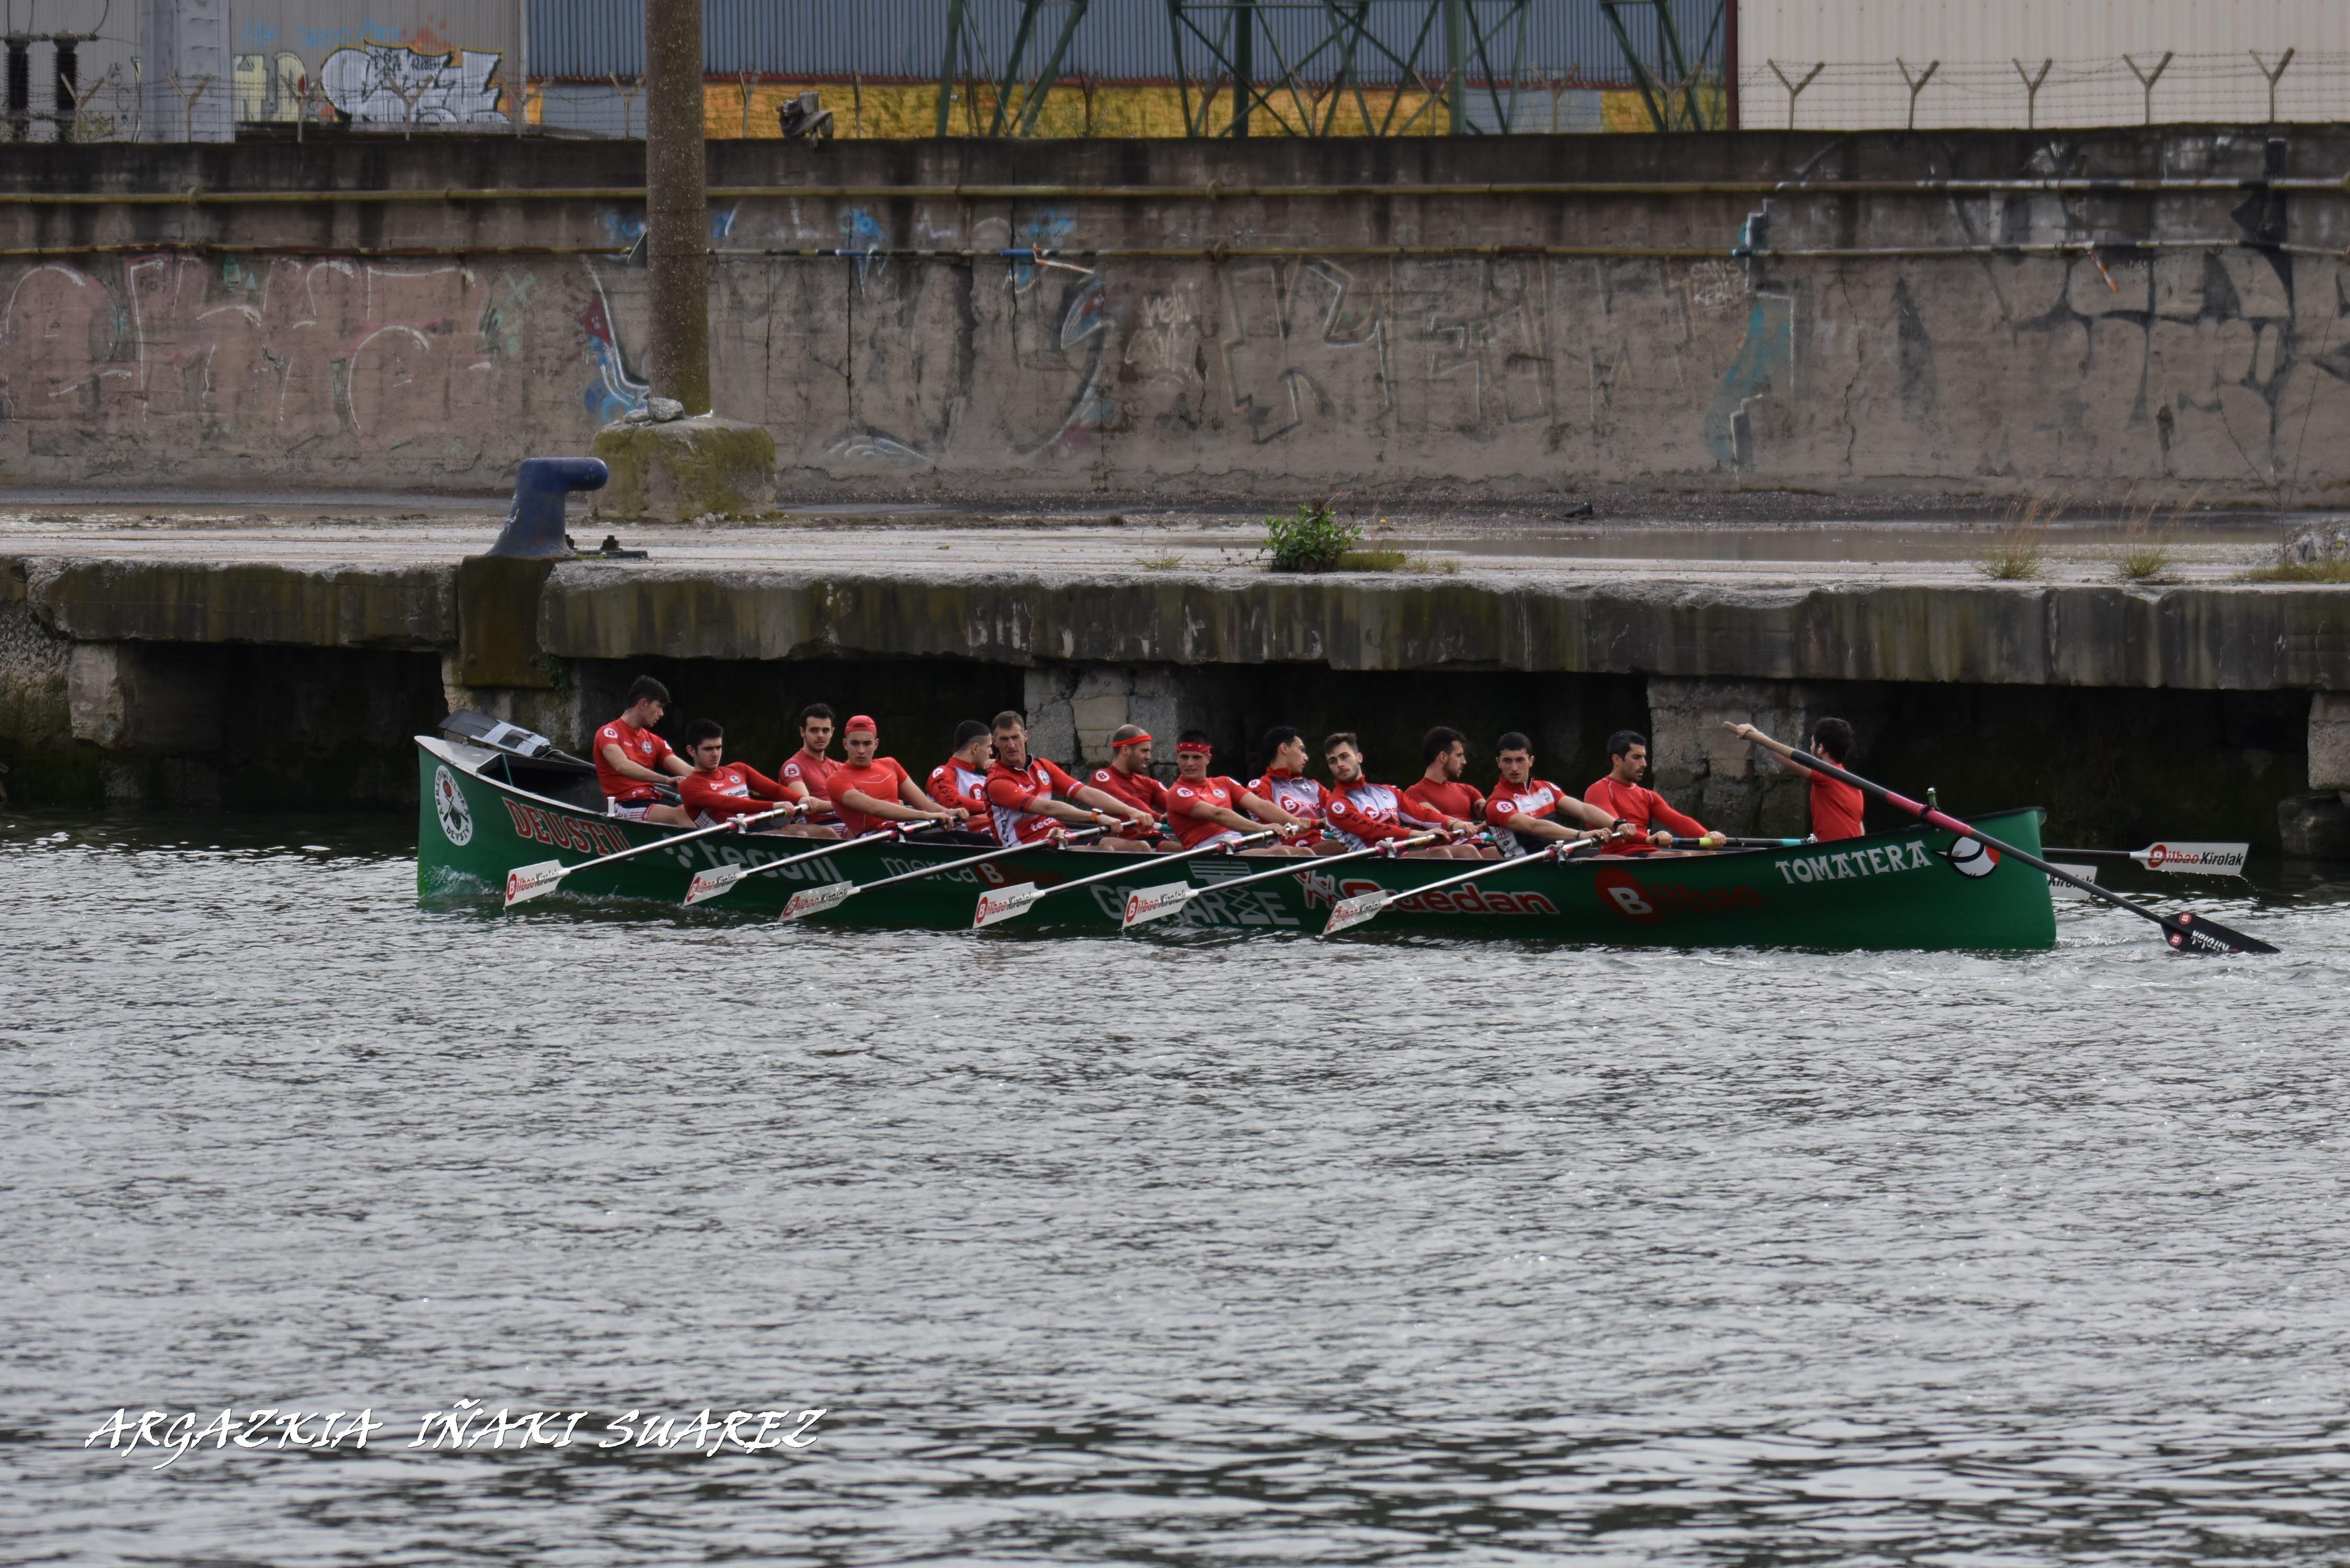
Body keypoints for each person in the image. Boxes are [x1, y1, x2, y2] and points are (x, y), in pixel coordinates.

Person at [985, 711, 1157, 850]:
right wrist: (1096, 817)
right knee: (1106, 852)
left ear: (1025, 736)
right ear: (995, 742)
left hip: (1059, 836)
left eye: (1015, 737)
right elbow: (1049, 808)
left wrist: (1131, 812)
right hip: (1026, 848)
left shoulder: (1043, 767)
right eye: (1004, 740)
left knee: (1140, 848)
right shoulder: (997, 782)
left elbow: (1085, 793)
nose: (1012, 745)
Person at [1321, 732, 1476, 860]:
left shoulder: (1388, 791)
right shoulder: (1337, 804)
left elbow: (1421, 814)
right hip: (1370, 862)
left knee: (1468, 851)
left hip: (1397, 856)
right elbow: (1374, 830)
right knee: (1441, 855)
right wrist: (1420, 834)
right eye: (1333, 761)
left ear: (1359, 758)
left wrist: (1453, 823)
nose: (1340, 764)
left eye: (1345, 757)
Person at [1162, 731, 1313, 855]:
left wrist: (1295, 821)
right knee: (1280, 854)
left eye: (1196, 757)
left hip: (1233, 847)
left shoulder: (1224, 783)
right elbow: (1218, 815)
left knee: (1305, 853)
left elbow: (1261, 806)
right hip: (1207, 853)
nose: (1189, 763)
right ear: (1177, 759)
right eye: (1184, 757)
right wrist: (1261, 828)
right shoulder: (1177, 793)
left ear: (1208, 759)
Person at [824, 715, 968, 837]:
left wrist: (947, 812)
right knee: (951, 843)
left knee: (976, 841)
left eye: (867, 744)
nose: (861, 750)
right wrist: (926, 816)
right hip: (875, 840)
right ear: (845, 744)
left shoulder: (890, 764)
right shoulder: (837, 780)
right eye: (855, 744)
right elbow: (875, 807)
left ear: (876, 744)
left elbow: (925, 804)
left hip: (903, 830)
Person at [1726, 717, 1867, 841]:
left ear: (1821, 749)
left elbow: (1791, 761)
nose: (1810, 747)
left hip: (1834, 855)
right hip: (1849, 853)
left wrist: (1758, 736)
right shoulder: (1855, 784)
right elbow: (1860, 830)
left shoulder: (1826, 774)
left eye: (1812, 743)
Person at [1583, 729, 1720, 853]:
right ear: (1617, 760)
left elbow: (1678, 820)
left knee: (1709, 853)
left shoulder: (1648, 796)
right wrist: (1649, 839)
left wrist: (1706, 835)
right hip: (1619, 855)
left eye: (1644, 757)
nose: (1644, 764)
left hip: (1647, 853)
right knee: (1682, 855)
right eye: (1636, 758)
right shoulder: (1598, 790)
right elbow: (1617, 826)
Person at [1485, 731, 1614, 854]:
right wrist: (1580, 835)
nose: (1514, 768)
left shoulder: (1546, 788)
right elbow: (1533, 827)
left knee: (1608, 857)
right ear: (1499, 763)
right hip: (1529, 867)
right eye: (1507, 761)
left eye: (1520, 760)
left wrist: (1616, 824)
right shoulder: (1498, 803)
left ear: (1531, 761)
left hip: (1555, 857)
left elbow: (1583, 810)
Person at [591, 675, 695, 826]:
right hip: (623, 805)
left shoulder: (654, 740)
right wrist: (666, 780)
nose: (662, 714)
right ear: (643, 704)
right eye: (659, 706)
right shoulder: (608, 733)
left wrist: (722, 781)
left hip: (650, 802)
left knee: (699, 812)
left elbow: (687, 770)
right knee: (682, 814)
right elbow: (623, 766)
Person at [676, 719, 805, 829]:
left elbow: (775, 790)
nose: (715, 754)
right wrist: (774, 806)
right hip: (735, 837)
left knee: (820, 832)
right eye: (708, 749)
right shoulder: (689, 786)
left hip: (761, 827)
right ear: (692, 751)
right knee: (801, 835)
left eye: (719, 747)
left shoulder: (738, 769)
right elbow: (728, 804)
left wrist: (801, 799)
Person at [1247, 726, 1346, 855]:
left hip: (1320, 847)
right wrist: (1316, 823)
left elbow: (1341, 812)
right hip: (1288, 852)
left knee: (1362, 841)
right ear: (1284, 748)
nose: (1306, 758)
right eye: (1302, 750)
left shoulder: (1315, 787)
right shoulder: (1259, 786)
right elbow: (1270, 815)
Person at [1404, 727, 1499, 859]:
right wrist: (1465, 826)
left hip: (1477, 844)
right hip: (1447, 850)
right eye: (1459, 755)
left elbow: (1487, 809)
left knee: (1506, 852)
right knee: (1469, 851)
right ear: (1443, 757)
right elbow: (1436, 819)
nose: (1464, 762)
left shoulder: (1467, 790)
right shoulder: (1415, 793)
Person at [1086, 725, 1174, 826]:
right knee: (1142, 843)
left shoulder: (1148, 783)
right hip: (1122, 838)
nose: (1149, 757)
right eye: (1144, 751)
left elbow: (1175, 803)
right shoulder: (1102, 777)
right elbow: (1127, 801)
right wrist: (1160, 818)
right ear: (1125, 750)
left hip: (1152, 837)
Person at [928, 720, 998, 843]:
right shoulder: (943, 772)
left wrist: (1000, 773)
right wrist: (991, 807)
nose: (991, 752)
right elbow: (952, 802)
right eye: (988, 747)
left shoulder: (988, 776)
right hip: (961, 844)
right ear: (975, 748)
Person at [777, 704, 843, 827]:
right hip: (814, 828)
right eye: (814, 730)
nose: (821, 736)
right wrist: (847, 805)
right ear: (802, 732)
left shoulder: (840, 768)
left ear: (832, 732)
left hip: (845, 825)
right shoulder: (792, 767)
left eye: (825, 730)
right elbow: (807, 805)